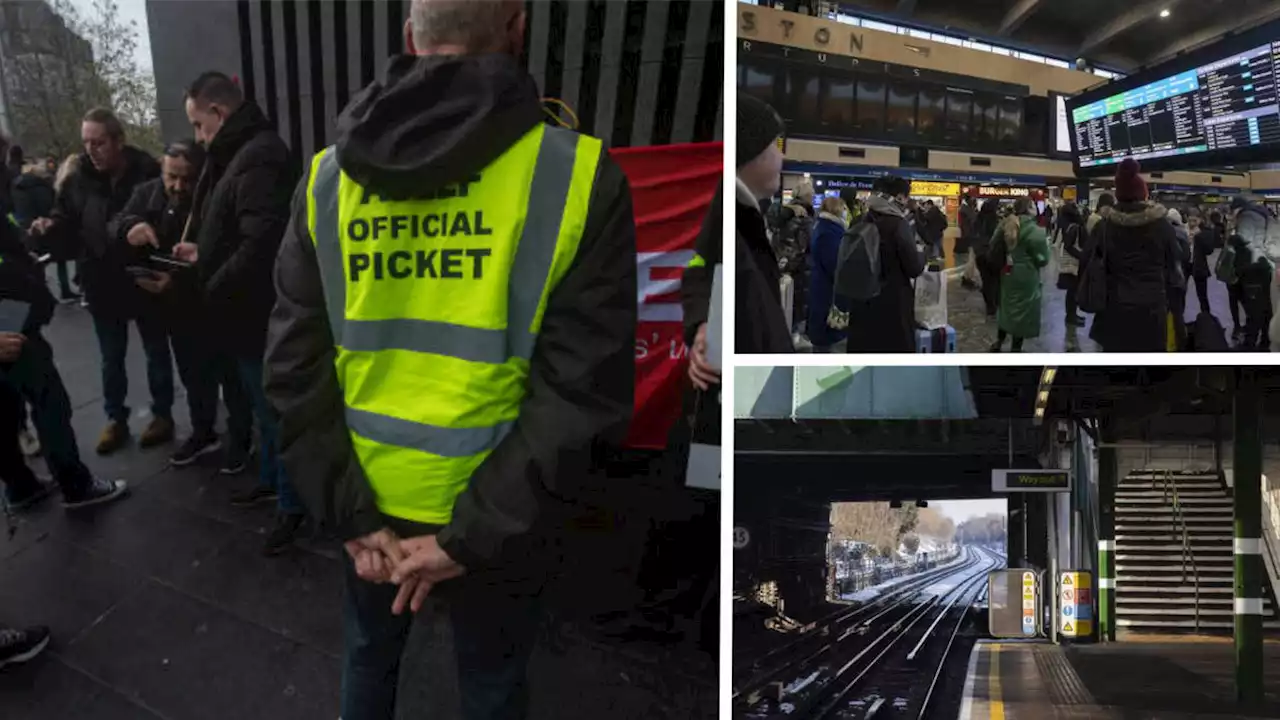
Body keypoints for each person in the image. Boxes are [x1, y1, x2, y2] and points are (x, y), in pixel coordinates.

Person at [263, 2, 637, 717]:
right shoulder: (577, 174)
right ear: (517, 27)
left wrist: (352, 517)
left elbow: (291, 370)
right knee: (492, 683)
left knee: (369, 662)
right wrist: (472, 535)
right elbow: (581, 393)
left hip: (369, 510)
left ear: (410, 38)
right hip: (501, 519)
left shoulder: (325, 181)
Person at [172, 71, 303, 553]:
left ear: (219, 113)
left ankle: (292, 504)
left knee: (273, 412)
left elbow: (261, 243)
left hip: (256, 312)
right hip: (246, 311)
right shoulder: (243, 153)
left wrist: (212, 281)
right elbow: (237, 231)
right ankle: (273, 482)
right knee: (260, 405)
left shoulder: (257, 154)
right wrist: (202, 254)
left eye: (199, 126)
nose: (197, 137)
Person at [27, 108, 172, 454]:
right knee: (111, 356)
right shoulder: (77, 179)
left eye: (100, 142)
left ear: (118, 140)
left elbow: (163, 220)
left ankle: (163, 414)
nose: (92, 150)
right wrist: (48, 230)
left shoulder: (148, 172)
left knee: (155, 350)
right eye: (87, 143)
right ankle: (115, 419)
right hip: (100, 281)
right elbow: (66, 223)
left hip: (141, 278)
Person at [110, 140, 253, 469]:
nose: (177, 186)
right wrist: (130, 226)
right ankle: (203, 432)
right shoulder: (148, 193)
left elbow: (229, 255)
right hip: (176, 309)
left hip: (214, 305)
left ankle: (241, 437)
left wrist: (181, 280)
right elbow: (117, 221)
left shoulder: (215, 198)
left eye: (185, 179)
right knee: (193, 376)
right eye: (170, 177)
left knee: (230, 379)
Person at [1080, 158, 1182, 352]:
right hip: (1152, 310)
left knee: (1116, 369)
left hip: (1114, 310)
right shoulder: (1161, 226)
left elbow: (1087, 261)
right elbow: (1176, 263)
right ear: (1143, 195)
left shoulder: (1104, 227)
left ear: (1118, 196)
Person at [838, 175, 925, 353]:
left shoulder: (858, 221)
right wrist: (922, 254)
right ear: (900, 197)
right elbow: (914, 268)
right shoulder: (899, 224)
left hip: (862, 300)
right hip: (892, 305)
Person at [736, 92, 794, 353]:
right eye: (775, 145)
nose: (781, 158)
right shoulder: (737, 227)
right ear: (752, 149)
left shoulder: (748, 221)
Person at [988, 197, 1048, 352]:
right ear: (1029, 209)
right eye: (1033, 205)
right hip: (1026, 276)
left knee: (1006, 307)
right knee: (1022, 311)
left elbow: (993, 244)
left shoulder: (1005, 224)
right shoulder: (1036, 231)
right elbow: (1043, 259)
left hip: (1007, 272)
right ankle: (1016, 348)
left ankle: (998, 342)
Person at [806, 195, 848, 353]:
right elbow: (834, 263)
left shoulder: (822, 226)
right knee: (826, 333)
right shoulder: (830, 231)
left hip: (820, 284)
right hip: (827, 289)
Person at [1055, 201, 1086, 326]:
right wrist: (1081, 256)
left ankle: (1072, 315)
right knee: (1073, 291)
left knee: (1071, 291)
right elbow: (1069, 246)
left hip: (1067, 263)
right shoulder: (1074, 227)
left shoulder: (1065, 225)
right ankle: (1071, 317)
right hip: (1073, 264)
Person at [1166, 208, 1192, 348]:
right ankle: (1181, 343)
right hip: (1180, 277)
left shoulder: (1163, 233)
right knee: (1178, 312)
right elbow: (1186, 257)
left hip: (1167, 278)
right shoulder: (1183, 233)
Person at [973, 199, 1001, 317]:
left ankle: (990, 306)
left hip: (980, 254)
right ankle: (995, 303)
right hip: (992, 254)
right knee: (995, 280)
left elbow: (973, 235)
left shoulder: (978, 219)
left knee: (986, 281)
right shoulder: (995, 221)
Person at [1190, 214, 1217, 316]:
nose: (1192, 223)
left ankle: (1206, 315)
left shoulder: (1203, 233)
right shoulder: (1182, 230)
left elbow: (1209, 249)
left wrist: (1198, 237)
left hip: (1198, 266)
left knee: (1202, 294)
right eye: (1190, 220)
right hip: (1186, 264)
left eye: (1194, 220)